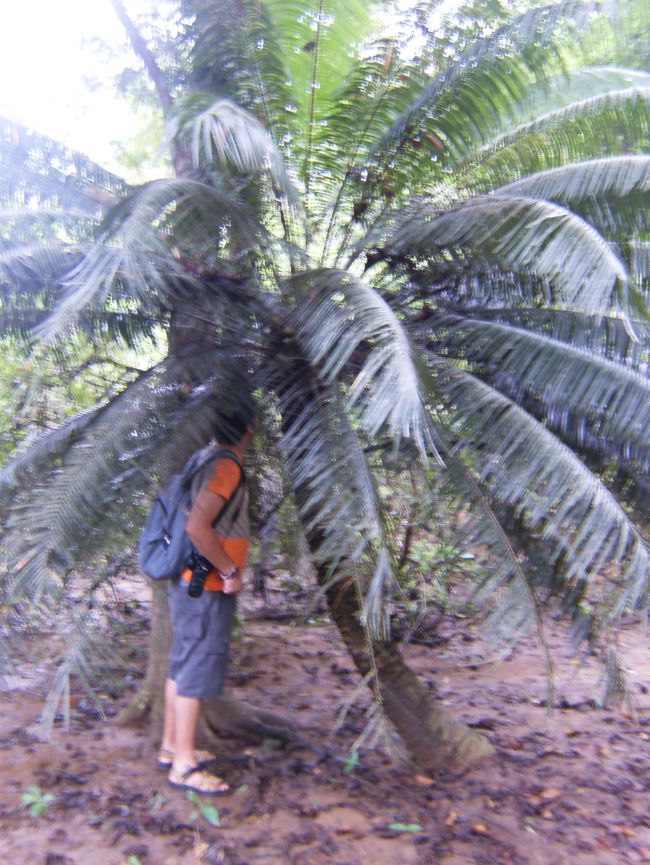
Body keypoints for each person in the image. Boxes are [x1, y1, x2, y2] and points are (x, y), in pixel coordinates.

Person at [158, 412, 255, 796]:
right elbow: (197, 527)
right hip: (206, 586)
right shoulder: (225, 467)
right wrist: (230, 570)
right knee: (195, 668)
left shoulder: (203, 457)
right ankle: (184, 765)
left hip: (187, 584)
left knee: (181, 663)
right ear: (249, 427)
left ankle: (171, 746)